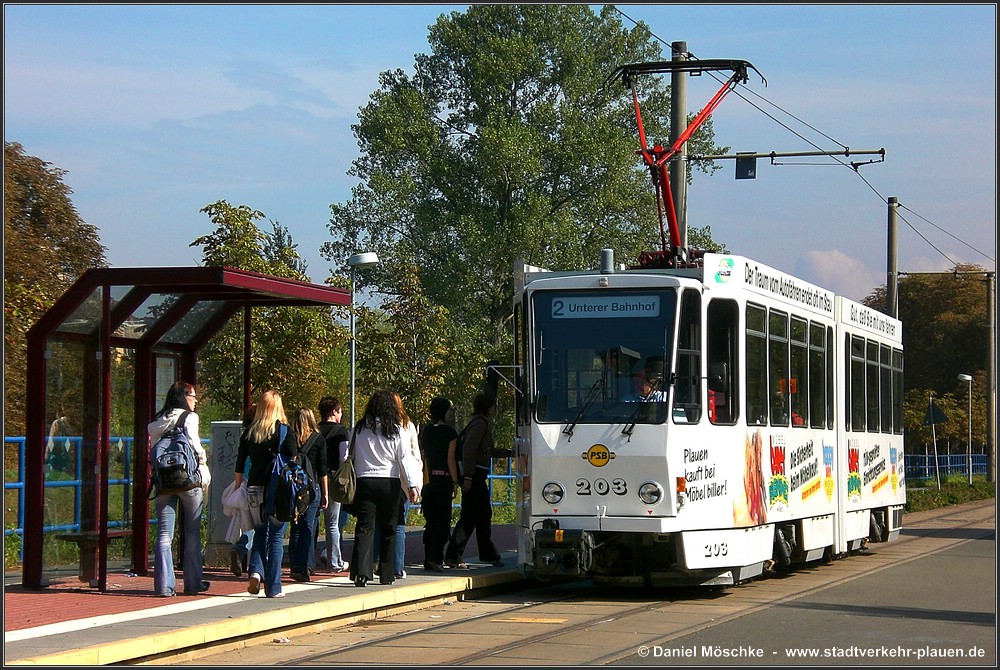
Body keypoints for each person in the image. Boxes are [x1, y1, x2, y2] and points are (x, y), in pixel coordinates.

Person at [349, 390, 423, 588]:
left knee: (364, 527)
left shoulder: (360, 428)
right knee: (389, 527)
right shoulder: (397, 429)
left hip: (364, 481)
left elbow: (352, 454)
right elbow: (404, 459)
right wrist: (412, 485)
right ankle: (387, 573)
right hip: (389, 482)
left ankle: (361, 573)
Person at [146, 381, 211, 597]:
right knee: (192, 533)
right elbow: (194, 444)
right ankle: (193, 584)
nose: (195, 400)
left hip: (163, 482)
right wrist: (203, 464)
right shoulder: (189, 418)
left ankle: (164, 586)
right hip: (188, 481)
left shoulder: (157, 421)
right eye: (192, 396)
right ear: (183, 397)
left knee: (164, 534)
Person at [234, 390, 296, 598]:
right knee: (277, 537)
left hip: (253, 488)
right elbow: (293, 455)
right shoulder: (284, 431)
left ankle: (256, 572)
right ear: (278, 407)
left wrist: (237, 487)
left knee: (260, 532)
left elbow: (240, 463)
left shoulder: (250, 431)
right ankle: (274, 587)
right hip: (276, 490)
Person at [445, 392, 507, 569]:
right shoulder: (479, 425)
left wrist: (509, 452)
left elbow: (486, 451)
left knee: (479, 515)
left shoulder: (478, 424)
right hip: (474, 476)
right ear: (488, 408)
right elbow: (469, 451)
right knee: (473, 516)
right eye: (494, 406)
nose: (496, 409)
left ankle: (485, 553)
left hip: (475, 475)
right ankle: (455, 555)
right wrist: (469, 477)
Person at [376, 392, 422, 580]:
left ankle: (377, 561)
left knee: (379, 523)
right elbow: (413, 455)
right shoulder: (407, 427)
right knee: (399, 524)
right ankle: (396, 566)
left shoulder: (374, 426)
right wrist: (415, 482)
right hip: (403, 481)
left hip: (382, 478)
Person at [418, 397, 459, 572]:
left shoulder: (425, 431)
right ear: (444, 412)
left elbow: (422, 456)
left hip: (428, 480)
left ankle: (428, 557)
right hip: (443, 479)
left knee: (431, 520)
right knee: (443, 521)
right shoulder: (450, 433)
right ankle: (436, 557)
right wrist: (455, 481)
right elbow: (451, 459)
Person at [287, 407, 328, 582]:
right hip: (311, 489)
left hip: (293, 488)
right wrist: (325, 493)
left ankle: (295, 564)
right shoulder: (318, 439)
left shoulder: (289, 438)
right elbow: (322, 468)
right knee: (308, 527)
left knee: (295, 527)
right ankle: (306, 566)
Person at [230, 403, 256, 577]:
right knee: (262, 527)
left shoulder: (245, 435)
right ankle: (242, 549)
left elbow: (239, 464)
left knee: (250, 526)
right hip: (259, 484)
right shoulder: (263, 435)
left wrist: (238, 486)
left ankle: (241, 550)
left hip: (245, 484)